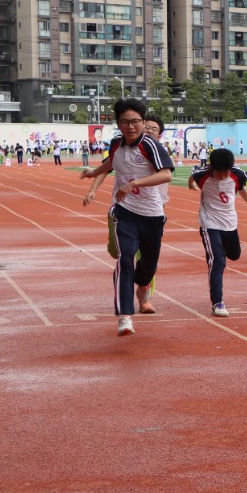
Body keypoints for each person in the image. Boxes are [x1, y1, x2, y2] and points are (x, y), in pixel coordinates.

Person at [81, 98, 174, 336]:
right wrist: (93, 173)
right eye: (125, 122)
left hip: (152, 215)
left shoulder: (150, 145)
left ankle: (143, 286)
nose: (131, 126)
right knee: (125, 259)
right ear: (118, 124)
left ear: (142, 122)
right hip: (124, 211)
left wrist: (134, 183)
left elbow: (166, 175)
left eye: (135, 121)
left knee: (148, 266)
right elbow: (110, 163)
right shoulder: (115, 144)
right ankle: (125, 315)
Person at [188, 147, 247, 317]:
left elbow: (242, 189)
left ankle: (216, 252)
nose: (224, 176)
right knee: (218, 261)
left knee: (235, 255)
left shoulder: (237, 174)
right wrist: (191, 185)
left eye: (226, 172)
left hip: (230, 223)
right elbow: (191, 178)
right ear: (211, 168)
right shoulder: (202, 175)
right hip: (209, 224)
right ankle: (217, 303)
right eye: (220, 173)